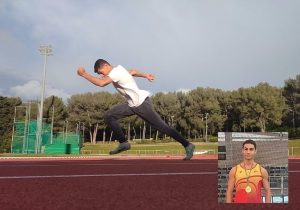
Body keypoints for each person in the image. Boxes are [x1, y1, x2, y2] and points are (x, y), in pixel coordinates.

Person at [77, 59, 195, 160]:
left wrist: (84, 74)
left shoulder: (115, 72)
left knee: (162, 127)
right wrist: (145, 75)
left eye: (101, 72)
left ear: (106, 66)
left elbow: (101, 83)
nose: (102, 75)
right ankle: (124, 143)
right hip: (132, 105)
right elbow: (133, 71)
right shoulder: (119, 70)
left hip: (141, 104)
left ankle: (188, 145)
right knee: (109, 116)